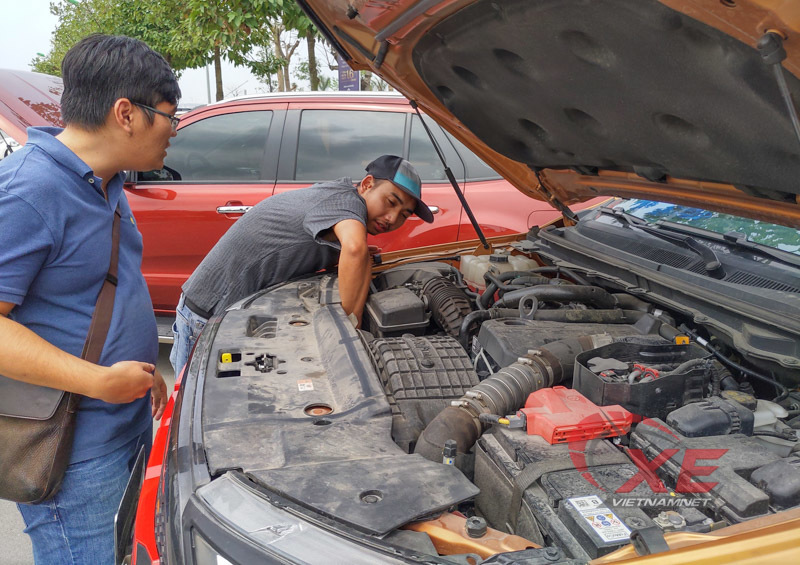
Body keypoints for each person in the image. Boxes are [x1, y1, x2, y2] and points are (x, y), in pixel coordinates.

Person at [0, 34, 178, 563]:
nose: (174, 130)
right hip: (73, 450)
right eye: (169, 116)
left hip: (123, 419)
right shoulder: (28, 190)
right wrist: (100, 381)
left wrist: (142, 369)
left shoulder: (105, 182)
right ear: (126, 114)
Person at [170, 155, 432, 375]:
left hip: (230, 314)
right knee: (192, 412)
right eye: (391, 202)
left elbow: (356, 254)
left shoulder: (340, 199)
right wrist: (349, 333)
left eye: (404, 215)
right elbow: (354, 249)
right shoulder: (345, 204)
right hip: (205, 317)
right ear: (367, 185)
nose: (392, 218)